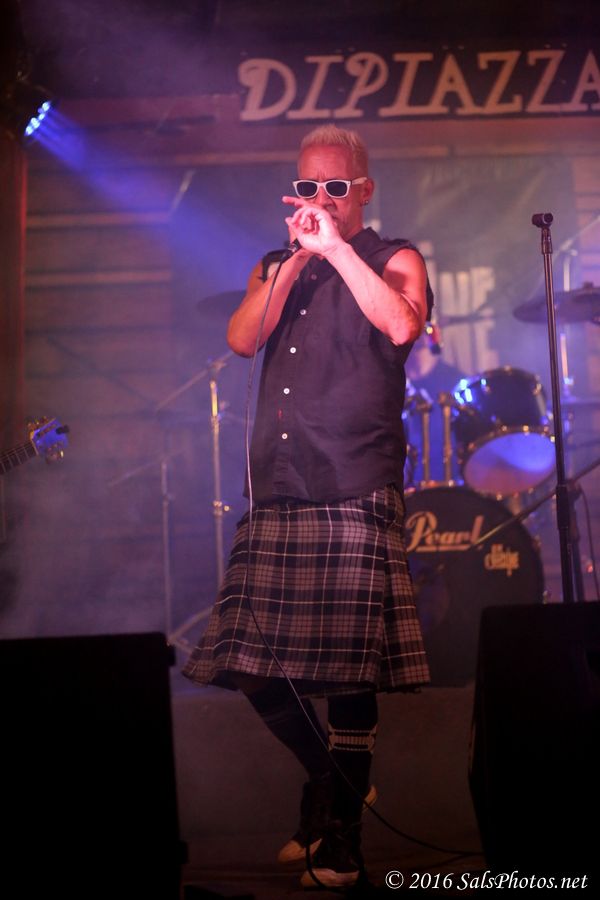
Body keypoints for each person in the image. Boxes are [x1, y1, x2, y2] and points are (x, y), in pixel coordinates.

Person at [183, 124, 432, 890]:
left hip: (355, 476)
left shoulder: (395, 257)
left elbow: (401, 323)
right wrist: (295, 259)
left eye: (335, 186)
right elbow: (242, 339)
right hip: (279, 481)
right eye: (307, 187)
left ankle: (342, 838)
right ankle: (331, 779)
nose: (319, 199)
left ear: (364, 190)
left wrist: (337, 252)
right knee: (248, 663)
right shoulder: (277, 263)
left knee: (351, 670)